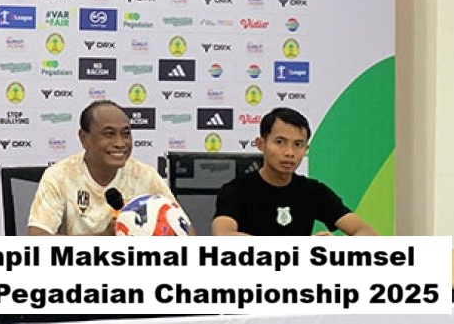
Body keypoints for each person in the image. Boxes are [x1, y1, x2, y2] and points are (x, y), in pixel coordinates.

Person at [27, 100, 195, 236]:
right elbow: (37, 237)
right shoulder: (59, 176)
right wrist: (105, 237)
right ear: (84, 138)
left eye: (126, 134)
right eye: (109, 134)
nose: (120, 143)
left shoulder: (145, 176)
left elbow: (187, 231)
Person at [212, 107, 377, 236]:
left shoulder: (313, 191)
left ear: (306, 149)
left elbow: (367, 233)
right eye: (280, 142)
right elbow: (223, 235)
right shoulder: (236, 190)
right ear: (261, 144)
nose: (290, 152)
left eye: (298, 145)